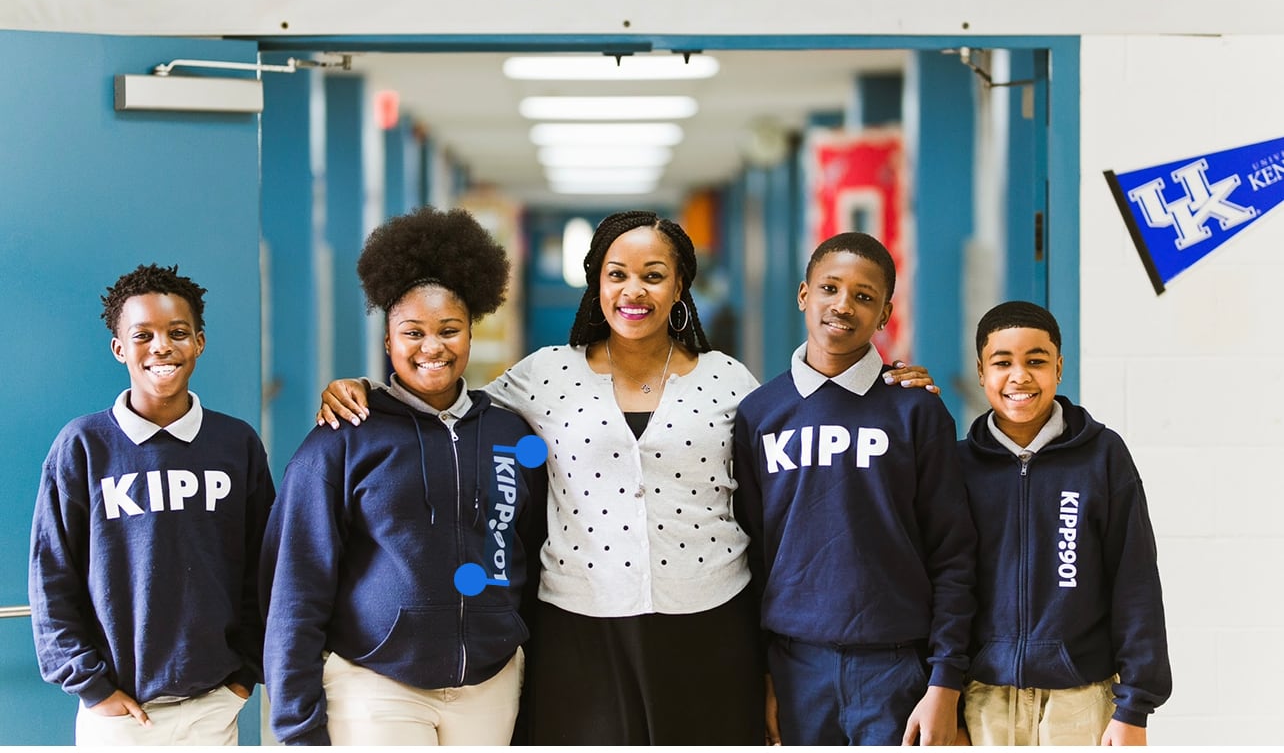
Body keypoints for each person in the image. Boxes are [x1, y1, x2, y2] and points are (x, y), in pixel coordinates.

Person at [317, 211, 938, 744]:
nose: (633, 290)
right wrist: (367, 392)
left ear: (679, 288)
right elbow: (450, 409)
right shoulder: (546, 375)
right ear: (597, 284)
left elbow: (774, 490)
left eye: (653, 275)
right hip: (578, 627)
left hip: (712, 620)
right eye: (617, 274)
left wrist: (887, 390)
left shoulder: (728, 379)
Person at [259, 207, 547, 746]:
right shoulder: (345, 435)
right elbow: (297, 582)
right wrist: (296, 723)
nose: (431, 346)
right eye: (412, 332)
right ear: (389, 339)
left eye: (449, 330)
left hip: (491, 683)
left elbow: (532, 555)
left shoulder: (512, 433)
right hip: (377, 683)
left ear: (470, 331)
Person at [732, 231, 977, 747]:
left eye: (864, 297)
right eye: (830, 288)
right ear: (804, 295)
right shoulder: (759, 413)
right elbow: (751, 551)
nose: (843, 305)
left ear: (885, 313)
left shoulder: (915, 409)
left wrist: (945, 680)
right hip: (796, 666)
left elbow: (953, 552)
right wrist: (763, 673)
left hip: (896, 668)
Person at [29, 263, 275, 746]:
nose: (162, 346)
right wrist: (91, 688)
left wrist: (245, 673)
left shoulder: (235, 443)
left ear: (199, 343)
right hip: (117, 712)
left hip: (214, 705)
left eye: (177, 332)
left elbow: (264, 565)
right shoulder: (83, 445)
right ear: (119, 348)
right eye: (143, 335)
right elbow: (51, 575)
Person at [956, 300, 1171, 746]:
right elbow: (942, 588)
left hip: (1084, 697)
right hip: (982, 697)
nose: (1019, 376)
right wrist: (945, 697)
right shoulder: (957, 465)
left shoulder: (1103, 455)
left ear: (1059, 367)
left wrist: (1134, 706)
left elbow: (1135, 582)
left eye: (1036, 361)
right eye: (1002, 363)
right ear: (980, 371)